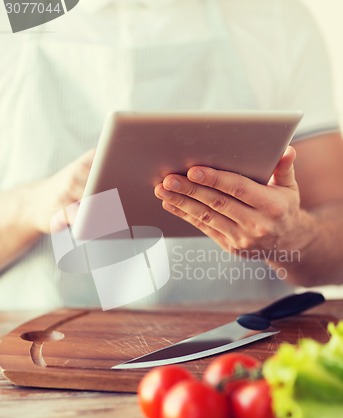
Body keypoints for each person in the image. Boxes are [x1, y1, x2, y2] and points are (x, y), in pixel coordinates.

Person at [1, 0, 343, 310]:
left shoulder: (274, 19)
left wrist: (292, 236)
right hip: (34, 355)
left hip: (238, 355)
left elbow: (337, 249)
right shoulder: (10, 22)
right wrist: (29, 205)